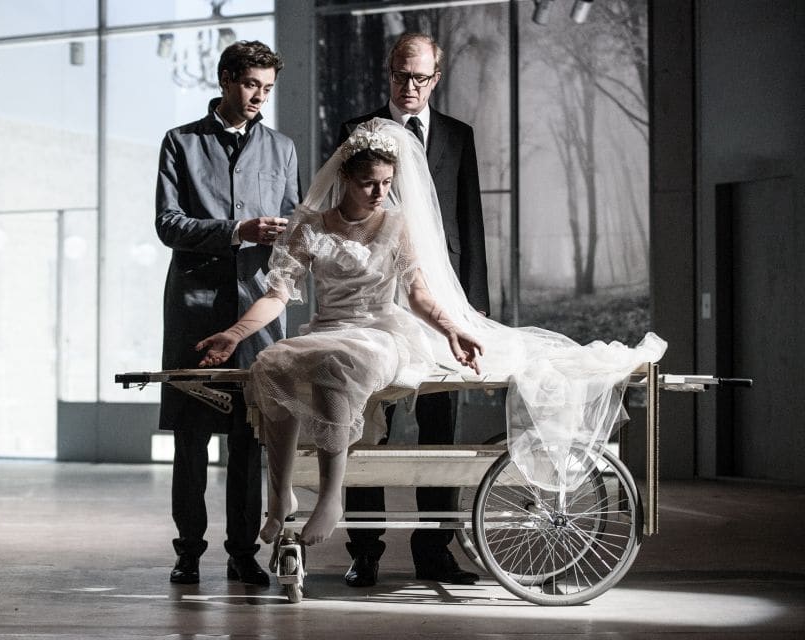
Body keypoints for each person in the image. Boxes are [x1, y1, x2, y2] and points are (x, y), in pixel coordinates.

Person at [196, 118, 666, 575]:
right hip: (329, 327)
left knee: (337, 365)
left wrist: (451, 330)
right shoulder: (311, 226)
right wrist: (234, 334)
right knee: (272, 362)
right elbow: (277, 295)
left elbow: (418, 294)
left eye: (386, 183)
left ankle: (331, 496)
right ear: (344, 178)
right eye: (368, 183)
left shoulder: (395, 226)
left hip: (380, 332)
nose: (379, 192)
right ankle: (280, 494)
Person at [339, 32, 488, 587]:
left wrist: (472, 313)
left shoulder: (457, 136)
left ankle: (435, 549)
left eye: (420, 78)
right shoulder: (358, 130)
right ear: (389, 72)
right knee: (369, 425)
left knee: (439, 428)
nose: (409, 86)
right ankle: (365, 548)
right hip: (377, 299)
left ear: (435, 79)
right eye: (401, 75)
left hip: (442, 298)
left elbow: (470, 225)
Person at [155, 40, 299, 587]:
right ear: (225, 80)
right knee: (191, 439)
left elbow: (294, 222)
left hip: (257, 312)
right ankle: (188, 551)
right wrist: (237, 231)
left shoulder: (282, 148)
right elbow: (168, 223)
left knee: (250, 436)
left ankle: (244, 552)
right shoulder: (181, 142)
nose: (259, 96)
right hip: (195, 309)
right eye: (251, 85)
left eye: (267, 88)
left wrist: (287, 234)